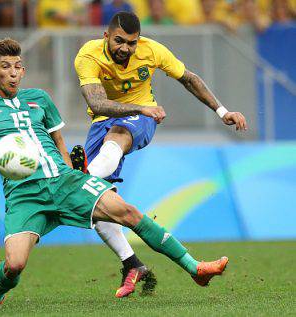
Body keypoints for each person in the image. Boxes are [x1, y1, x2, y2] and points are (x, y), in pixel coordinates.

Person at [0, 38, 229, 309]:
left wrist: (73, 172)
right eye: (5, 67)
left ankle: (195, 268)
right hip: (24, 195)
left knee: (129, 213)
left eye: (18, 66)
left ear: (22, 70)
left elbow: (58, 141)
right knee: (14, 265)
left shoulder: (40, 99)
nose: (13, 72)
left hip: (63, 180)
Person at [72, 11, 247, 298]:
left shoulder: (152, 51)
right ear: (106, 36)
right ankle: (132, 263)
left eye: (132, 43)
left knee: (117, 138)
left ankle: (84, 178)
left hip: (141, 118)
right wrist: (139, 109)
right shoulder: (88, 55)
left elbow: (188, 78)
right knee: (98, 203)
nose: (126, 49)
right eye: (119, 41)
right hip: (105, 120)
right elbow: (97, 103)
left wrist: (223, 111)